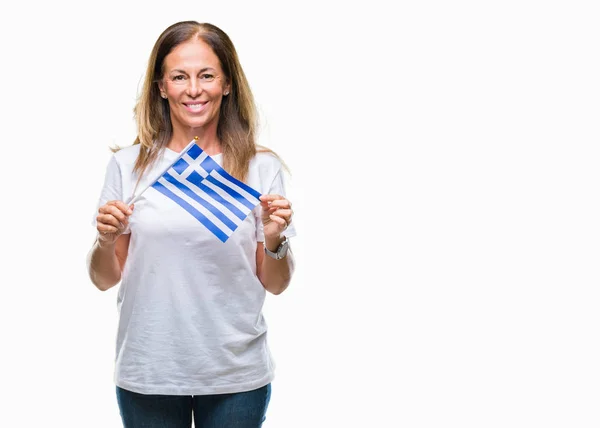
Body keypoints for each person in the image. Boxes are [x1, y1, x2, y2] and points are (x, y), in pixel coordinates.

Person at [86, 20, 296, 428]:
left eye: (207, 75)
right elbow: (102, 278)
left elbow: (276, 282)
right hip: (150, 369)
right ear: (162, 87)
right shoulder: (128, 167)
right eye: (179, 76)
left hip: (236, 373)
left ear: (227, 84)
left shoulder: (260, 167)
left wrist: (274, 240)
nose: (194, 89)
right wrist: (104, 240)